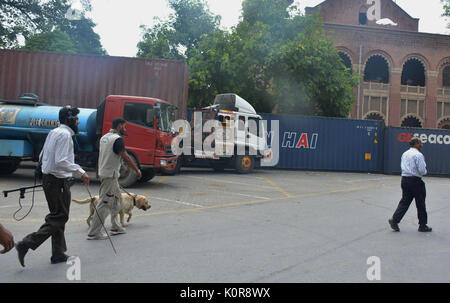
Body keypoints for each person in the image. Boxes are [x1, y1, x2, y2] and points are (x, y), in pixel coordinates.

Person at [15, 106, 90, 267]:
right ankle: (26, 243)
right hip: (56, 181)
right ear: (68, 120)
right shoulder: (64, 136)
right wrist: (81, 172)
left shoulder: (54, 132)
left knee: (57, 214)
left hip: (52, 180)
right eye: (76, 118)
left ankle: (57, 253)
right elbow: (61, 161)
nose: (78, 121)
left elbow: (42, 154)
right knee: (59, 217)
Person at [87, 118, 142, 240]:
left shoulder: (104, 137)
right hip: (110, 175)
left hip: (106, 173)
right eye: (124, 127)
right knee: (104, 203)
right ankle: (94, 232)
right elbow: (125, 156)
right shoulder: (118, 139)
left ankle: (116, 227)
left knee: (117, 200)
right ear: (119, 126)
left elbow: (110, 155)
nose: (125, 129)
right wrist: (136, 169)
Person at [389, 137, 432, 232]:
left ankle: (395, 220)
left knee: (405, 201)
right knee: (420, 203)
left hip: (404, 179)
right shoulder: (418, 155)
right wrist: (424, 171)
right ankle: (422, 225)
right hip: (415, 181)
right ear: (416, 144)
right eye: (420, 143)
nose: (422, 145)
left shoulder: (405, 153)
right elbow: (422, 170)